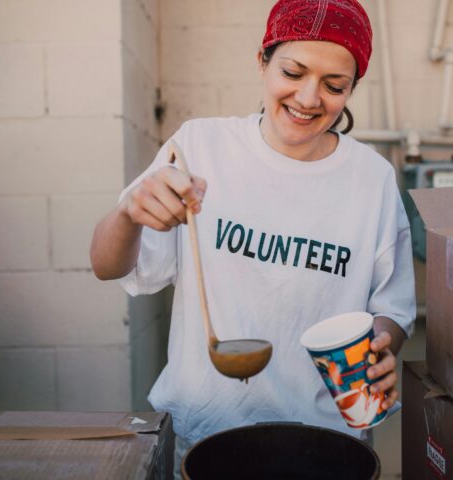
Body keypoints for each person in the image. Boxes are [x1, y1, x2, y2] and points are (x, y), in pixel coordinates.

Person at [91, 0, 416, 476]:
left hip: (327, 443)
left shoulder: (373, 178)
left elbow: (393, 307)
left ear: (352, 89)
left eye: (334, 86)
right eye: (293, 71)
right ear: (263, 60)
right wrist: (128, 213)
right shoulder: (200, 146)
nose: (308, 98)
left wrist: (382, 346)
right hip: (205, 437)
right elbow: (107, 265)